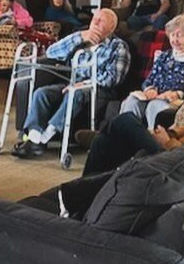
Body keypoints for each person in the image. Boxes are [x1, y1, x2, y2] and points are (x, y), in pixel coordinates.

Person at [12, 9, 130, 159]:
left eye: (101, 21)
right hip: (71, 82)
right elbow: (51, 52)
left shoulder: (118, 47)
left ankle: (45, 137)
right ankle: (34, 140)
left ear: (111, 28)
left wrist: (86, 83)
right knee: (42, 93)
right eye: (95, 19)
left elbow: (114, 78)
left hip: (98, 88)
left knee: (75, 93)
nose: (95, 22)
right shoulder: (81, 38)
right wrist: (80, 37)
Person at [119, 13, 184, 128]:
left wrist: (177, 94)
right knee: (132, 101)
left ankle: (153, 142)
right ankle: (127, 138)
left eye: (180, 35)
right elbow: (150, 79)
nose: (175, 40)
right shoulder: (165, 56)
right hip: (156, 96)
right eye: (172, 35)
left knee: (155, 106)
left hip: (179, 101)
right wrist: (150, 89)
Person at [83, 104, 184, 176]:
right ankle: (81, 202)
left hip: (183, 162)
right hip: (175, 148)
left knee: (126, 120)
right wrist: (170, 133)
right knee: (101, 142)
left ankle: (109, 131)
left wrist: (168, 142)